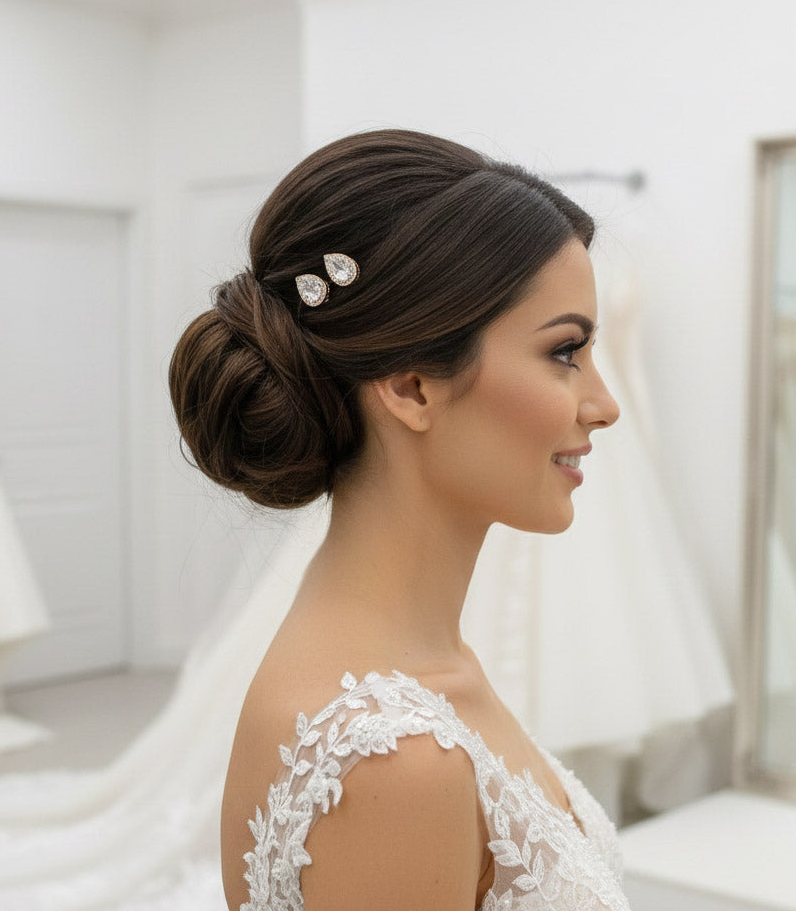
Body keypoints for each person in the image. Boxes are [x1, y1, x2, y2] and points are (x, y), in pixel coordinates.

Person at [169, 129, 625, 911]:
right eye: (564, 352)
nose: (605, 405)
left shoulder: (420, 672)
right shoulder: (393, 760)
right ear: (412, 387)